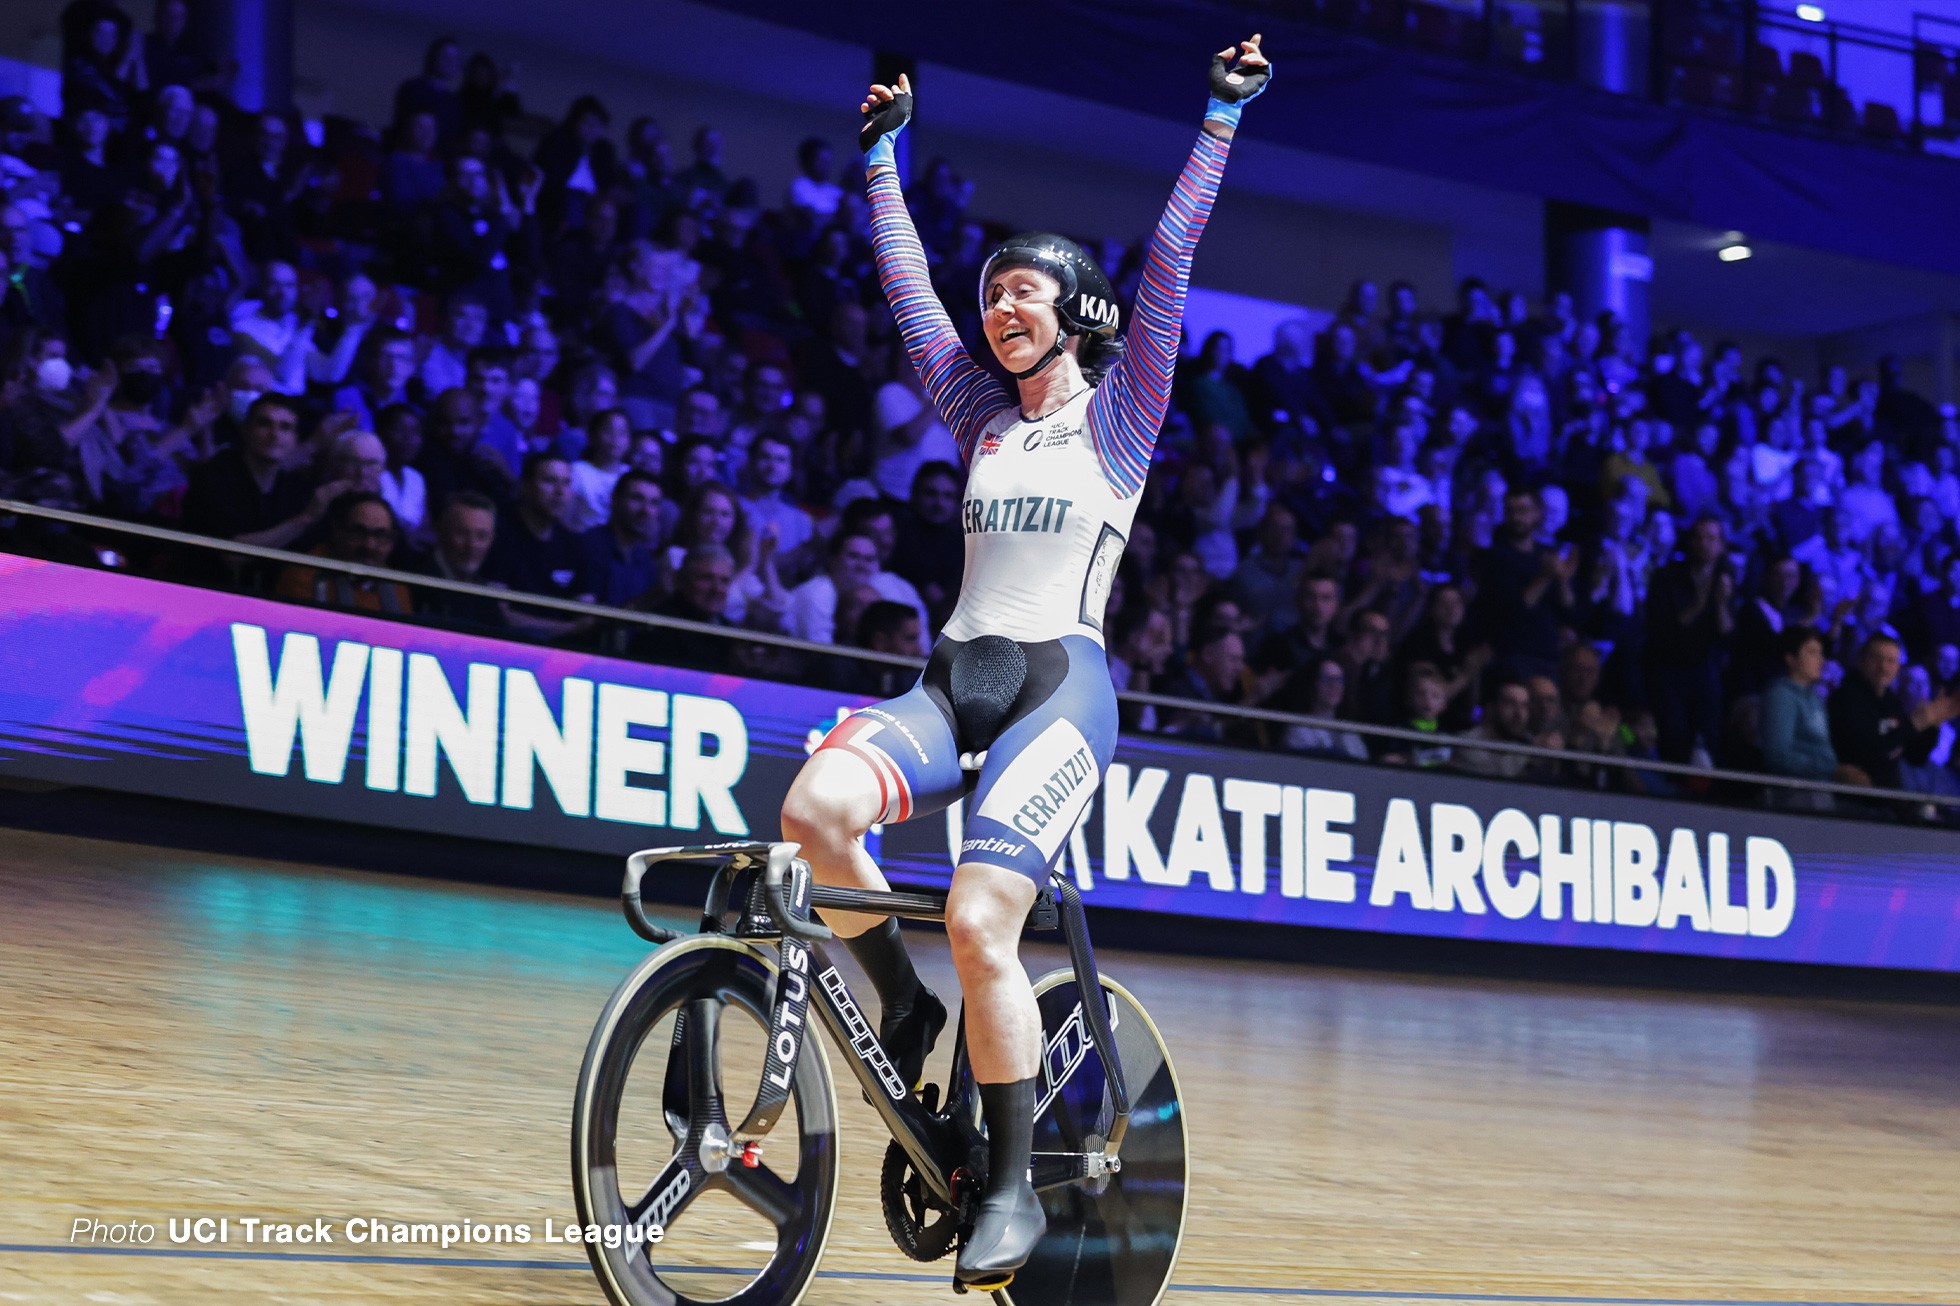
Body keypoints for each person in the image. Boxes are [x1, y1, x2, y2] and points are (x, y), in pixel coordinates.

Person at [778, 39, 1266, 1289]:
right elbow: (906, 295)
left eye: (1022, 293)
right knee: (813, 810)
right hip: (957, 676)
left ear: (1078, 316)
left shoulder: (1123, 413)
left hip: (1060, 689)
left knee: (980, 913)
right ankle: (900, 1006)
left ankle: (1006, 1190)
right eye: (990, 290)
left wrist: (1214, 114)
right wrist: (881, 157)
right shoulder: (976, 412)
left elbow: (1171, 262)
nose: (996, 307)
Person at [1829, 633, 1960, 795]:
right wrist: (1914, 723)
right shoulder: (1845, 698)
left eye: (1890, 661)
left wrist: (1933, 724)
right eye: (1876, 659)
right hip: (1851, 796)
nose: (1883, 667)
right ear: (1861, 660)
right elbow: (1869, 751)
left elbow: (1914, 756)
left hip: (1886, 797)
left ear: (1898, 667)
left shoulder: (1891, 702)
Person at [275, 491, 414, 613]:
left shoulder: (397, 589)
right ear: (337, 532)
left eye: (380, 535)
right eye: (358, 533)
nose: (369, 545)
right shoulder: (304, 578)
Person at [1759, 625, 1847, 810]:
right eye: (1812, 653)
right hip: (1793, 797)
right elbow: (1778, 754)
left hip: (1820, 792)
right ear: (1791, 659)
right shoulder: (1781, 696)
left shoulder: (1815, 698)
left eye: (1821, 653)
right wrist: (1830, 769)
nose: (1820, 660)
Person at [581, 469, 666, 608]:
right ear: (614, 500)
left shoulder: (645, 559)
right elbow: (585, 614)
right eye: (637, 499)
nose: (645, 510)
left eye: (654, 503)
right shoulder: (589, 546)